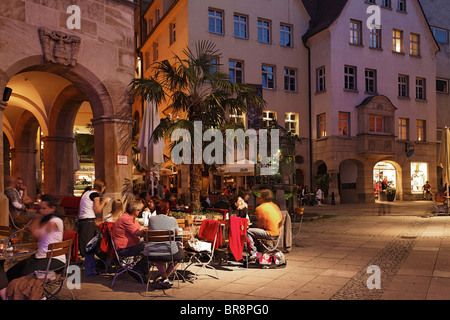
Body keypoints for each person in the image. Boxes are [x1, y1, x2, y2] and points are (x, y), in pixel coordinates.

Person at [6, 194, 65, 283]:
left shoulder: (56, 221)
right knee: (11, 272)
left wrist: (35, 219)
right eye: (39, 208)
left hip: (54, 259)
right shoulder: (43, 219)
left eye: (43, 208)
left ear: (53, 208)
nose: (40, 211)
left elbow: (38, 233)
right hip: (40, 256)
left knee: (24, 275)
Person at [146, 199, 185, 288]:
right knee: (181, 254)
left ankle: (164, 278)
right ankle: (165, 277)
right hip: (169, 253)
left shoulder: (151, 219)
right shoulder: (172, 219)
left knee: (159, 254)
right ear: (167, 210)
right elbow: (176, 233)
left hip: (153, 253)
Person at [78, 178, 109, 276]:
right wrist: (104, 202)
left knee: (88, 245)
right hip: (88, 222)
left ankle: (91, 269)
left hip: (83, 221)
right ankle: (90, 271)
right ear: (102, 188)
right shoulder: (95, 195)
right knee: (90, 246)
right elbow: (97, 210)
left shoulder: (86, 193)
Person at [112, 200, 147, 280]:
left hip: (130, 246)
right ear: (135, 211)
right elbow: (138, 232)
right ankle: (137, 270)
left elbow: (141, 228)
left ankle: (141, 271)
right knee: (150, 249)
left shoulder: (130, 218)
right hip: (124, 249)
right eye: (139, 210)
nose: (140, 212)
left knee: (149, 248)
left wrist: (151, 228)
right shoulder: (125, 219)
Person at [246, 189, 282, 259]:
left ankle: (254, 253)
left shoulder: (260, 208)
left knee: (248, 231)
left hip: (269, 233)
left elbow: (260, 225)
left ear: (262, 198)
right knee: (252, 228)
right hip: (277, 232)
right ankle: (258, 249)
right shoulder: (274, 205)